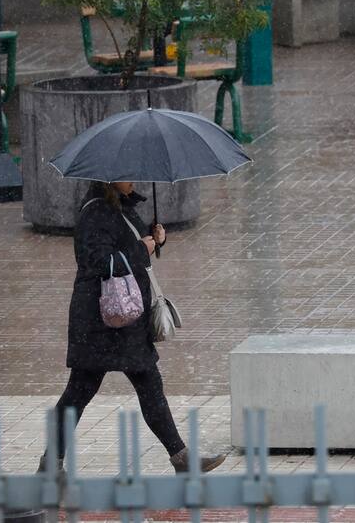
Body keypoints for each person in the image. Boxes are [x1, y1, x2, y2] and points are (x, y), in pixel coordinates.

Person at [38, 181, 225, 475]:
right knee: (79, 392)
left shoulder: (120, 206)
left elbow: (125, 245)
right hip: (100, 322)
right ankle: (51, 464)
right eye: (127, 176)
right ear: (109, 179)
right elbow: (98, 262)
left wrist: (155, 239)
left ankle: (181, 457)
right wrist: (141, 248)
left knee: (147, 384)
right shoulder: (96, 212)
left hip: (124, 322)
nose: (133, 180)